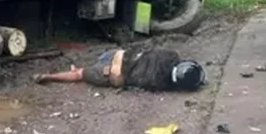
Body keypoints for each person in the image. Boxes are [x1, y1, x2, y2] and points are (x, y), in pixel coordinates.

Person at [33, 46, 206, 92]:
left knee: (93, 63)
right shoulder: (160, 83)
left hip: (118, 55)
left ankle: (80, 68)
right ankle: (50, 76)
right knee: (79, 75)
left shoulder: (171, 55)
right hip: (112, 74)